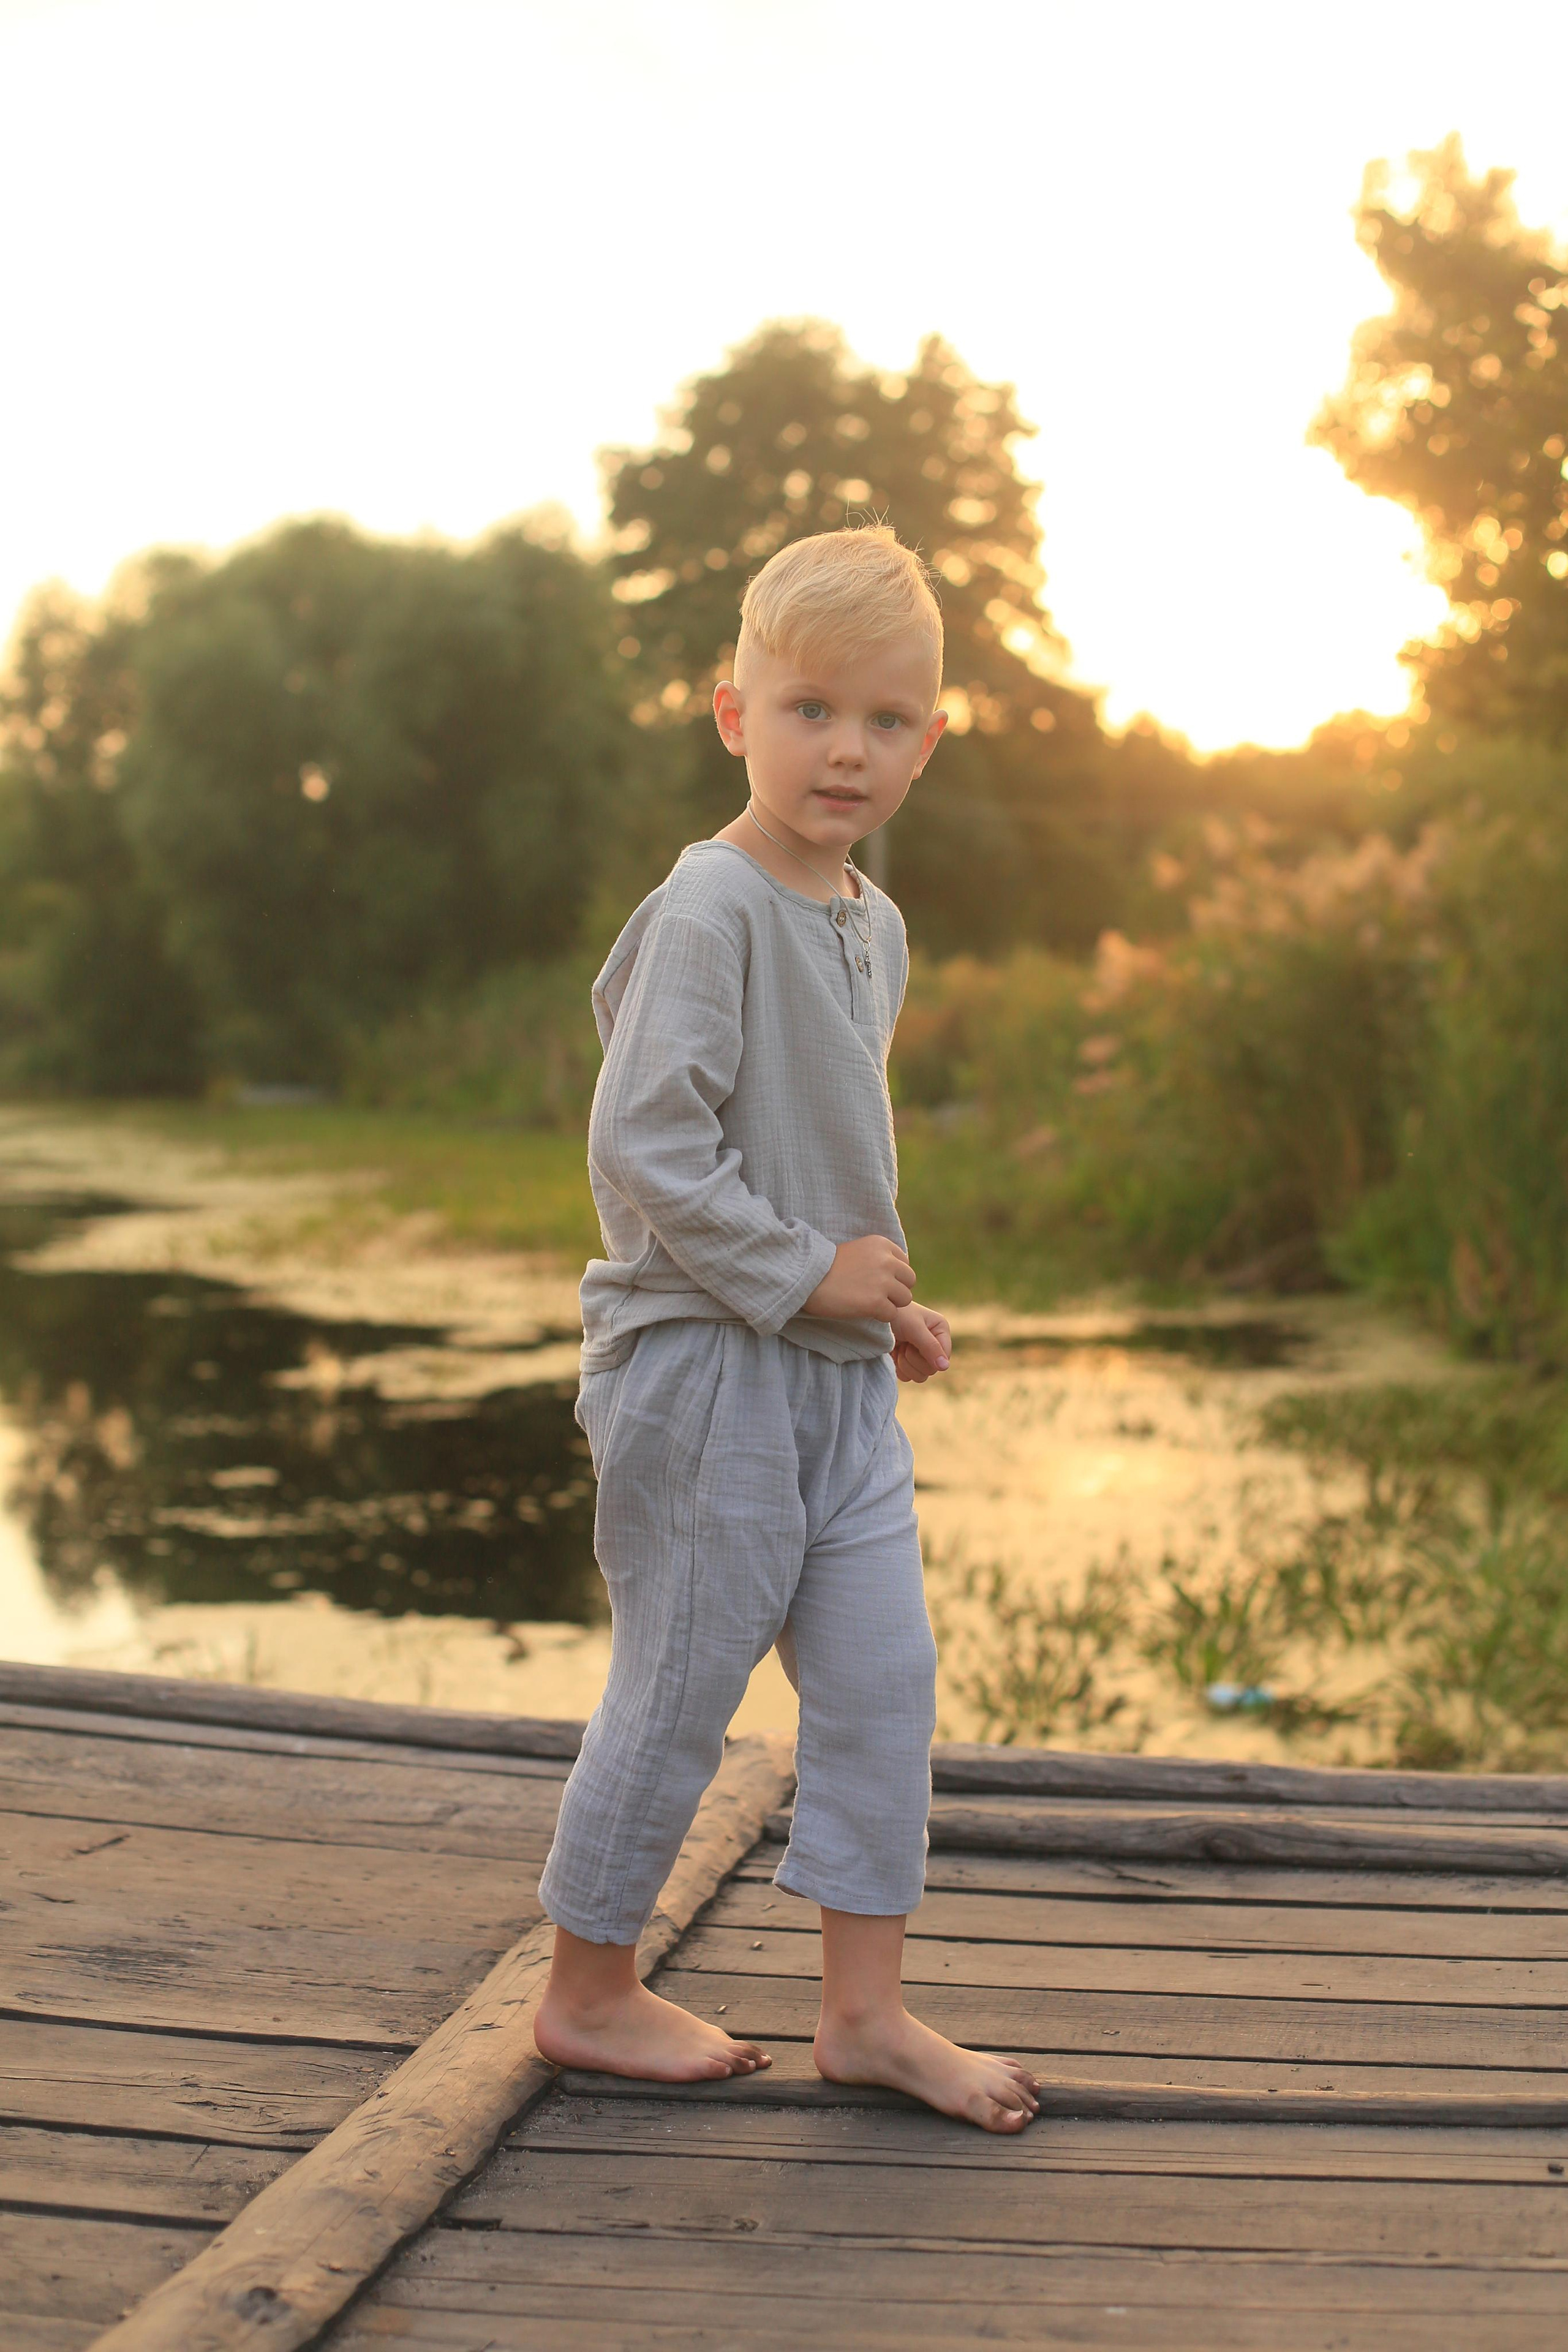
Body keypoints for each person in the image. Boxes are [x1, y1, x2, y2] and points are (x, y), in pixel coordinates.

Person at [533, 526, 1041, 2133]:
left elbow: (819, 1150)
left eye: (889, 720)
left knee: (886, 1683)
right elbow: (646, 1145)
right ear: (734, 712)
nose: (850, 748)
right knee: (681, 1683)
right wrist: (793, 1273)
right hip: (703, 1371)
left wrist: (878, 1295)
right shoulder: (710, 907)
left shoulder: (870, 925)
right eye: (813, 707)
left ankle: (866, 2014)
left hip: (830, 1378)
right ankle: (588, 1993)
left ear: (932, 742)